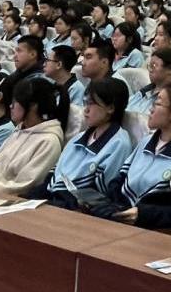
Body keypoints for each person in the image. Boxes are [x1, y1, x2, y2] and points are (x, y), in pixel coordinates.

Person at [94, 81, 171, 229]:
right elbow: (120, 179)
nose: (150, 109)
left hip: (153, 229)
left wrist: (143, 214)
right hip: (121, 217)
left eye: (157, 104)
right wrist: (112, 206)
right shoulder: (146, 141)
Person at [38, 78, 136, 209]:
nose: (86, 110)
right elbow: (55, 173)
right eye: (85, 103)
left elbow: (97, 193)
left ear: (111, 108)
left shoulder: (119, 143)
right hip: (55, 199)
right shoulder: (78, 138)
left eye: (92, 104)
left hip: (77, 209)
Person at [0, 78, 67, 196]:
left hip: (4, 199)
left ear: (33, 106)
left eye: (15, 102)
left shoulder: (49, 141)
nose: (11, 106)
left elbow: (23, 186)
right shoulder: (18, 131)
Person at [128, 48, 171, 115]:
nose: (150, 70)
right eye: (150, 66)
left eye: (154, 65)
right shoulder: (144, 91)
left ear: (169, 69)